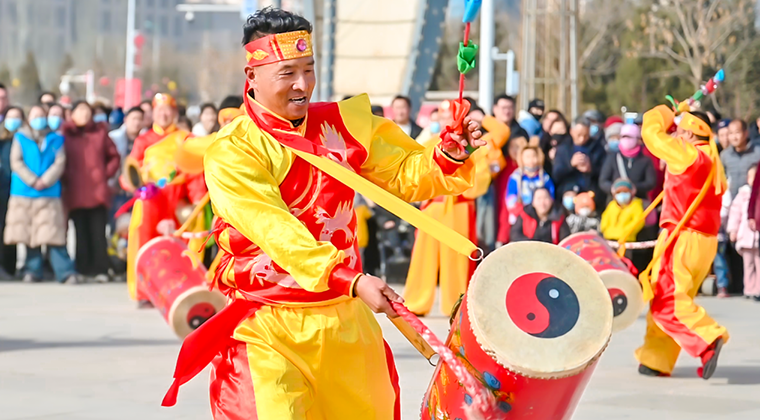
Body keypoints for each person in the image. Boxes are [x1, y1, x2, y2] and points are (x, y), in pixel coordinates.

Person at [162, 9, 485, 420]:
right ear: (252, 76)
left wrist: (449, 154)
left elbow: (406, 173)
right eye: (288, 73)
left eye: (309, 69)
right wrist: (351, 279)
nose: (303, 85)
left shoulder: (343, 124)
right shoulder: (233, 151)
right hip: (266, 326)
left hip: (345, 320)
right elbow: (274, 229)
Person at [636, 103, 727, 380]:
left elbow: (651, 133)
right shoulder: (711, 157)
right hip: (703, 241)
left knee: (668, 302)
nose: (673, 135)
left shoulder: (688, 154)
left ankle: (708, 339)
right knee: (670, 297)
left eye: (677, 131)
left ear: (688, 134)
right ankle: (656, 358)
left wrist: (667, 111)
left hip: (682, 238)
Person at [405, 99, 491, 316]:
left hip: (458, 205)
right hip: (432, 204)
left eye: (449, 118)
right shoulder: (429, 142)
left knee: (456, 256)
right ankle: (416, 302)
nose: (445, 122)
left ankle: (455, 303)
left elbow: (481, 177)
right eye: (442, 118)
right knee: (423, 255)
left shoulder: (472, 145)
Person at [4, 105, 78, 284]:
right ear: (28, 119)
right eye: (34, 115)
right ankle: (32, 270)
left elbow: (60, 163)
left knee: (53, 234)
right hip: (24, 192)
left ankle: (65, 272)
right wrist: (32, 180)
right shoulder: (20, 138)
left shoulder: (56, 139)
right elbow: (16, 162)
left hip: (49, 192)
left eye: (41, 115)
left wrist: (45, 180)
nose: (38, 119)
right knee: (29, 235)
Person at [62, 101, 121, 282]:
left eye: (87, 111)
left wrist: (104, 173)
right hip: (75, 189)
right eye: (80, 111)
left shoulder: (100, 133)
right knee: (80, 232)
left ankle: (100, 269)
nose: (84, 114)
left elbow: (114, 157)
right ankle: (83, 268)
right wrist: (66, 175)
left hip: (97, 190)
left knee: (98, 232)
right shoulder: (66, 136)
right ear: (72, 114)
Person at [553, 116, 607, 208]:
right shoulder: (563, 148)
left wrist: (590, 169)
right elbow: (556, 175)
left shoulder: (597, 148)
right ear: (571, 131)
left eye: (585, 135)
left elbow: (604, 172)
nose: (582, 139)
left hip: (591, 191)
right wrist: (570, 165)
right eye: (579, 135)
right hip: (569, 191)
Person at [727, 165, 760, 300]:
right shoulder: (743, 195)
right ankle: (748, 289)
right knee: (748, 265)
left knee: (758, 264)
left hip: (757, 238)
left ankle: (758, 290)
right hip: (745, 237)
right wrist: (732, 230)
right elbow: (735, 214)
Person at [599, 123, 657, 200]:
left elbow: (651, 182)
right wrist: (615, 188)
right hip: (615, 202)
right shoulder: (612, 158)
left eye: (629, 137)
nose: (626, 140)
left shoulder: (645, 160)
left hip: (638, 202)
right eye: (623, 136)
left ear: (637, 139)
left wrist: (632, 188)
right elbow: (603, 181)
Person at [505, 145, 554, 226]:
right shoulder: (516, 177)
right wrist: (522, 212)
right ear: (521, 158)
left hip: (540, 216)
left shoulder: (544, 177)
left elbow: (551, 195)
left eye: (534, 156)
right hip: (520, 217)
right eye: (527, 157)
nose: (531, 159)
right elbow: (510, 198)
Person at [0, 106, 22, 279]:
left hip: (19, 190)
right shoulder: (2, 140)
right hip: (3, 187)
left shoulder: (24, 139)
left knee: (13, 230)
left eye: (17, 117)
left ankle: (10, 267)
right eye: (10, 117)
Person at [721, 119, 760, 199]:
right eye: (731, 133)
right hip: (730, 202)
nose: (734, 137)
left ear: (746, 133)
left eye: (737, 133)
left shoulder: (757, 153)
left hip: (752, 201)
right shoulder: (725, 155)